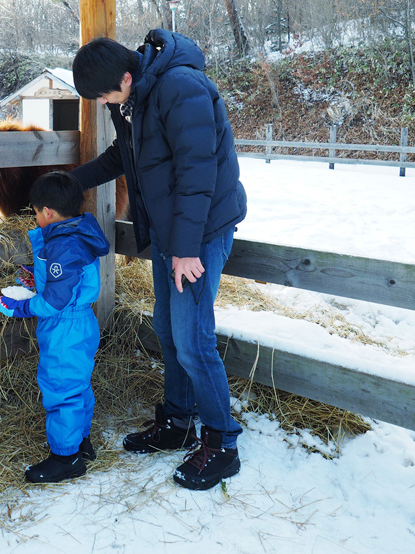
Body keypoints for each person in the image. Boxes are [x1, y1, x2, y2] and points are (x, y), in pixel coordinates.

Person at [69, 29, 247, 491]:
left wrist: (185, 248)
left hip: (200, 229)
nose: (105, 102)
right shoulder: (130, 98)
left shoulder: (181, 88)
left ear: (127, 77)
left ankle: (222, 443)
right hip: (174, 229)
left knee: (192, 338)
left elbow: (198, 170)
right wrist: (76, 182)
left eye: (106, 94)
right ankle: (179, 420)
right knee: (168, 328)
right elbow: (123, 155)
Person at [0, 171, 110, 484]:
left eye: (34, 212)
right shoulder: (75, 234)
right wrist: (37, 277)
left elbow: (56, 302)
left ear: (47, 212)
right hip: (80, 323)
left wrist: (24, 306)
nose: (35, 218)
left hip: (64, 327)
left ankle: (65, 458)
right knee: (77, 386)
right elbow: (68, 281)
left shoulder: (63, 246)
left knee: (61, 388)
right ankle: (80, 442)